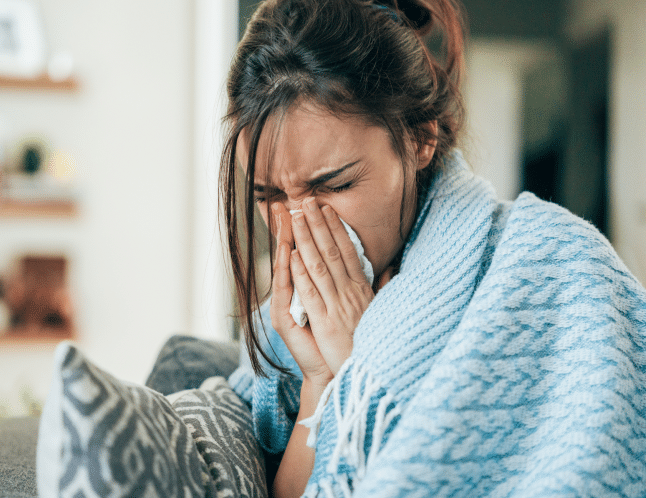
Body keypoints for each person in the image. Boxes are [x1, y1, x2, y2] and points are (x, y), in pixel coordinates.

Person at [220, 1, 646, 497]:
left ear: (421, 137)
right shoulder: (282, 333)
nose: (298, 224)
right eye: (269, 196)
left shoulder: (555, 264)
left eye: (333, 185)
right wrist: (323, 379)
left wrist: (367, 361)